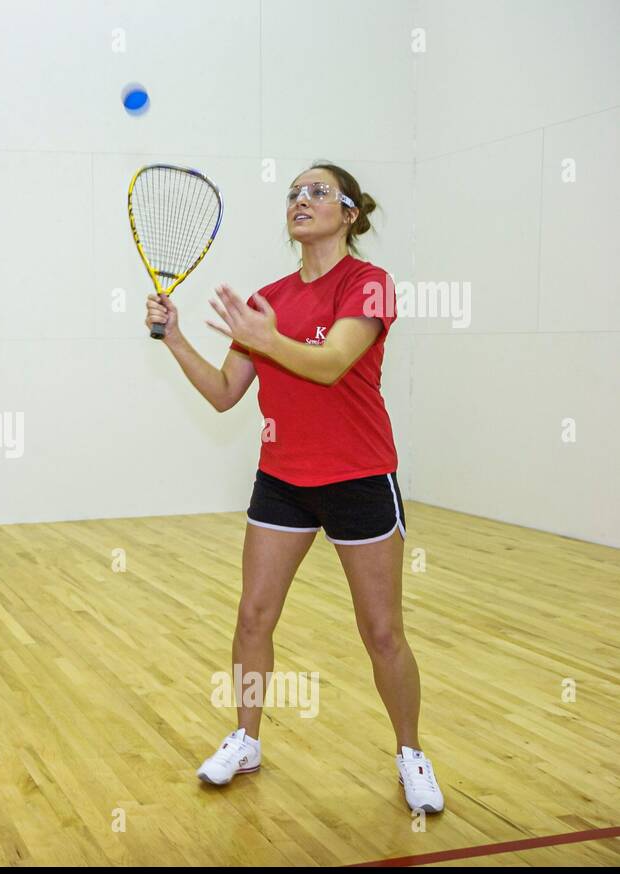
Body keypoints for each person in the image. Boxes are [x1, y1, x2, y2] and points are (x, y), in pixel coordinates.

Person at [146, 161, 443, 816]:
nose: (300, 201)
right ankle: (246, 739)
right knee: (253, 615)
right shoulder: (268, 299)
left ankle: (410, 753)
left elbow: (333, 363)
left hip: (360, 477)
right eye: (293, 194)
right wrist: (174, 338)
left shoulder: (370, 285)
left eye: (317, 192)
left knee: (382, 630)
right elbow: (225, 394)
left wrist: (266, 337)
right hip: (282, 478)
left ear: (351, 213)